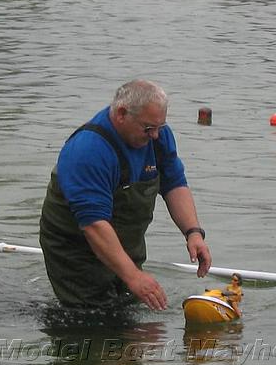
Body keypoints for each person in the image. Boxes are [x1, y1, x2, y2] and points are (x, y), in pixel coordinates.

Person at [39, 79, 212, 311]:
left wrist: (193, 233)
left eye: (160, 127)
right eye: (148, 128)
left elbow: (174, 183)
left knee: (132, 313)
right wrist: (133, 276)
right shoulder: (88, 150)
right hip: (77, 249)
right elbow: (93, 224)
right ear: (121, 114)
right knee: (98, 322)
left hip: (125, 242)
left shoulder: (158, 135)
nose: (156, 136)